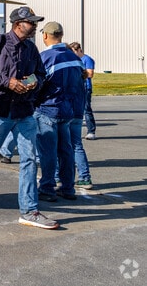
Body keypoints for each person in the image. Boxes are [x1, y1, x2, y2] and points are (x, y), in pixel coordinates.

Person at [0, 6, 59, 230]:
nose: (34, 26)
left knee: (29, 160)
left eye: (35, 22)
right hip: (1, 111)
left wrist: (35, 81)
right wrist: (8, 82)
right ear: (17, 23)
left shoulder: (31, 48)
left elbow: (41, 74)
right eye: (30, 22)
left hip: (25, 111)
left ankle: (29, 210)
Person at [34, 22, 85, 202]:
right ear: (61, 35)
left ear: (45, 36)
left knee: (47, 152)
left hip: (48, 109)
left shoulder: (45, 57)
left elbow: (36, 84)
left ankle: (47, 188)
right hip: (68, 110)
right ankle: (68, 188)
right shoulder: (74, 57)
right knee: (66, 151)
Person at [67, 42, 94, 190]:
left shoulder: (82, 62)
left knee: (61, 145)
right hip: (76, 110)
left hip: (68, 111)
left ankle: (59, 178)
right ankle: (84, 177)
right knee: (76, 145)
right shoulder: (78, 67)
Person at [70, 42, 97, 140]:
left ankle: (91, 131)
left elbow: (90, 74)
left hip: (85, 88)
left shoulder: (87, 59)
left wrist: (77, 73)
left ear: (78, 50)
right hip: (75, 87)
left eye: (73, 52)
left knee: (86, 109)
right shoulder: (73, 60)